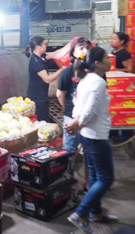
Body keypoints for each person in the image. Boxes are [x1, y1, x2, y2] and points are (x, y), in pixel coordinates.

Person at [65, 47, 116, 233]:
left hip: (87, 135)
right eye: (106, 58)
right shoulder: (98, 82)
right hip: (96, 136)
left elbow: (77, 107)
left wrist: (75, 123)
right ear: (97, 63)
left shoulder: (85, 80)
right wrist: (78, 123)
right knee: (106, 178)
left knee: (94, 176)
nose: (110, 61)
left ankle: (96, 213)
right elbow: (90, 111)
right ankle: (81, 213)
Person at [56, 37, 92, 191]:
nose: (84, 51)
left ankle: (88, 183)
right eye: (81, 47)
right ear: (73, 52)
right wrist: (70, 112)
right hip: (71, 119)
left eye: (87, 48)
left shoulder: (94, 71)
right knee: (69, 151)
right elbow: (60, 94)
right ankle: (67, 180)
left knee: (89, 154)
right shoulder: (67, 71)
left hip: (89, 120)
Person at [25, 36, 65, 122]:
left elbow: (53, 54)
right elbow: (47, 79)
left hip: (41, 97)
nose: (46, 46)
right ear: (38, 47)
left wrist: (68, 47)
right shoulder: (36, 62)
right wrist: (62, 69)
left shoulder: (40, 57)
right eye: (44, 45)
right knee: (42, 122)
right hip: (37, 100)